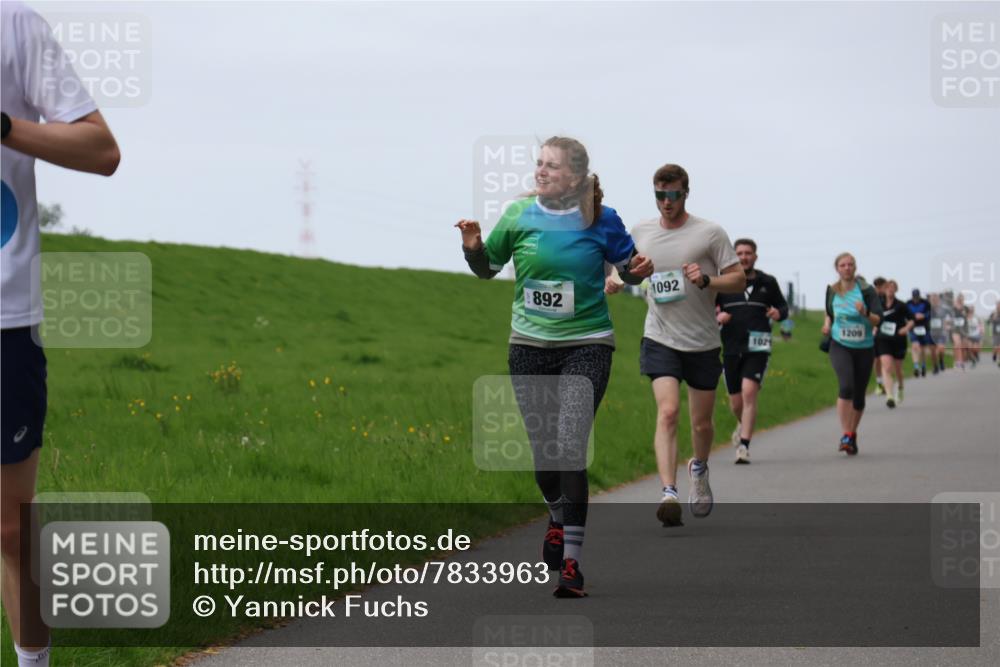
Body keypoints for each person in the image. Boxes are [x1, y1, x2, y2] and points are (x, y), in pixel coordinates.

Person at [457, 136, 652, 597]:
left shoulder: (601, 219)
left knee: (569, 445)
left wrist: (634, 273)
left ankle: (572, 565)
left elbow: (627, 268)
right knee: (545, 454)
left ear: (577, 178)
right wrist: (473, 247)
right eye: (538, 163)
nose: (541, 172)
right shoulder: (518, 215)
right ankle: (556, 517)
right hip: (528, 346)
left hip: (587, 344)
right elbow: (488, 269)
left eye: (552, 166)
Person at [2, 3, 121, 665]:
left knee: (11, 530)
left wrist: (4, 127)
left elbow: (102, 150)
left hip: (3, 317)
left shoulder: (16, 26)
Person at [608, 163, 743, 525]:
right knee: (667, 412)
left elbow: (738, 280)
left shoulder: (710, 233)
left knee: (701, 424)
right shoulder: (641, 231)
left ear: (686, 193)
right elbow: (621, 266)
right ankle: (668, 492)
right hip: (659, 336)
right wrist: (619, 280)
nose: (666, 202)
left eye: (673, 195)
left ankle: (698, 469)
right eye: (660, 195)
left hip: (701, 341)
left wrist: (707, 280)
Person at [715, 238, 789, 463]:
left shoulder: (768, 281)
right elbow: (710, 310)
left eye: (748, 253)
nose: (744, 257)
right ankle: (743, 423)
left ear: (755, 256)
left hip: (758, 346)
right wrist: (718, 317)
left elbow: (783, 307)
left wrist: (779, 314)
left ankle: (744, 446)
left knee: (749, 393)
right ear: (734, 257)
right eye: (740, 253)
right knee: (736, 402)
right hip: (731, 347)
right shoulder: (724, 282)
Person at [822, 253, 882, 455]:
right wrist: (826, 324)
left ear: (855, 268)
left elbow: (877, 320)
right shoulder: (832, 290)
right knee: (846, 386)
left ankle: (852, 434)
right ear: (837, 269)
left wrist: (865, 312)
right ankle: (846, 434)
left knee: (859, 396)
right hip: (840, 344)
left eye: (850, 265)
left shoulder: (866, 291)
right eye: (842, 265)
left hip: (864, 347)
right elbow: (830, 313)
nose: (847, 268)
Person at [875, 280, 913, 408]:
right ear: (884, 290)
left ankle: (900, 388)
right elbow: (874, 318)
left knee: (897, 369)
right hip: (883, 339)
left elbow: (912, 320)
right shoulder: (879, 304)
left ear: (896, 290)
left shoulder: (901, 305)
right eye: (888, 288)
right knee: (886, 366)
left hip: (898, 339)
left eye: (893, 288)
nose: (890, 290)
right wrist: (874, 328)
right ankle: (890, 396)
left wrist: (906, 329)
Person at [906, 288, 934, 377]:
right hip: (913, 327)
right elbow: (906, 315)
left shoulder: (925, 303)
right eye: (914, 297)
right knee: (915, 346)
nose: (915, 299)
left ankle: (923, 365)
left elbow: (930, 313)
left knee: (923, 348)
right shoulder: (908, 303)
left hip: (924, 327)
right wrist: (913, 317)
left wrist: (923, 316)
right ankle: (916, 366)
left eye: (917, 297)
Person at [871, 277, 888, 396]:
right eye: (882, 287)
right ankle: (879, 382)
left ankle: (885, 382)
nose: (883, 289)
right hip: (874, 331)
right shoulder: (871, 297)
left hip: (886, 332)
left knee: (885, 359)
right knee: (876, 360)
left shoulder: (887, 298)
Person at [928, 292, 951, 374]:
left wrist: (947, 325)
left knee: (940, 348)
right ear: (930, 300)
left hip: (941, 332)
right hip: (931, 332)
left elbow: (948, 318)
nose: (934, 300)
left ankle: (941, 360)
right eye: (932, 299)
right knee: (932, 352)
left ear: (938, 299)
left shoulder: (944, 309)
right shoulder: (927, 309)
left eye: (935, 299)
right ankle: (935, 366)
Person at [951, 294, 968, 370]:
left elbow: (968, 318)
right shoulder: (953, 308)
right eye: (959, 299)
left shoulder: (965, 308)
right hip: (955, 329)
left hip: (963, 329)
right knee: (957, 344)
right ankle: (957, 361)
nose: (961, 301)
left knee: (963, 346)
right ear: (957, 300)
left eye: (962, 299)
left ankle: (962, 361)